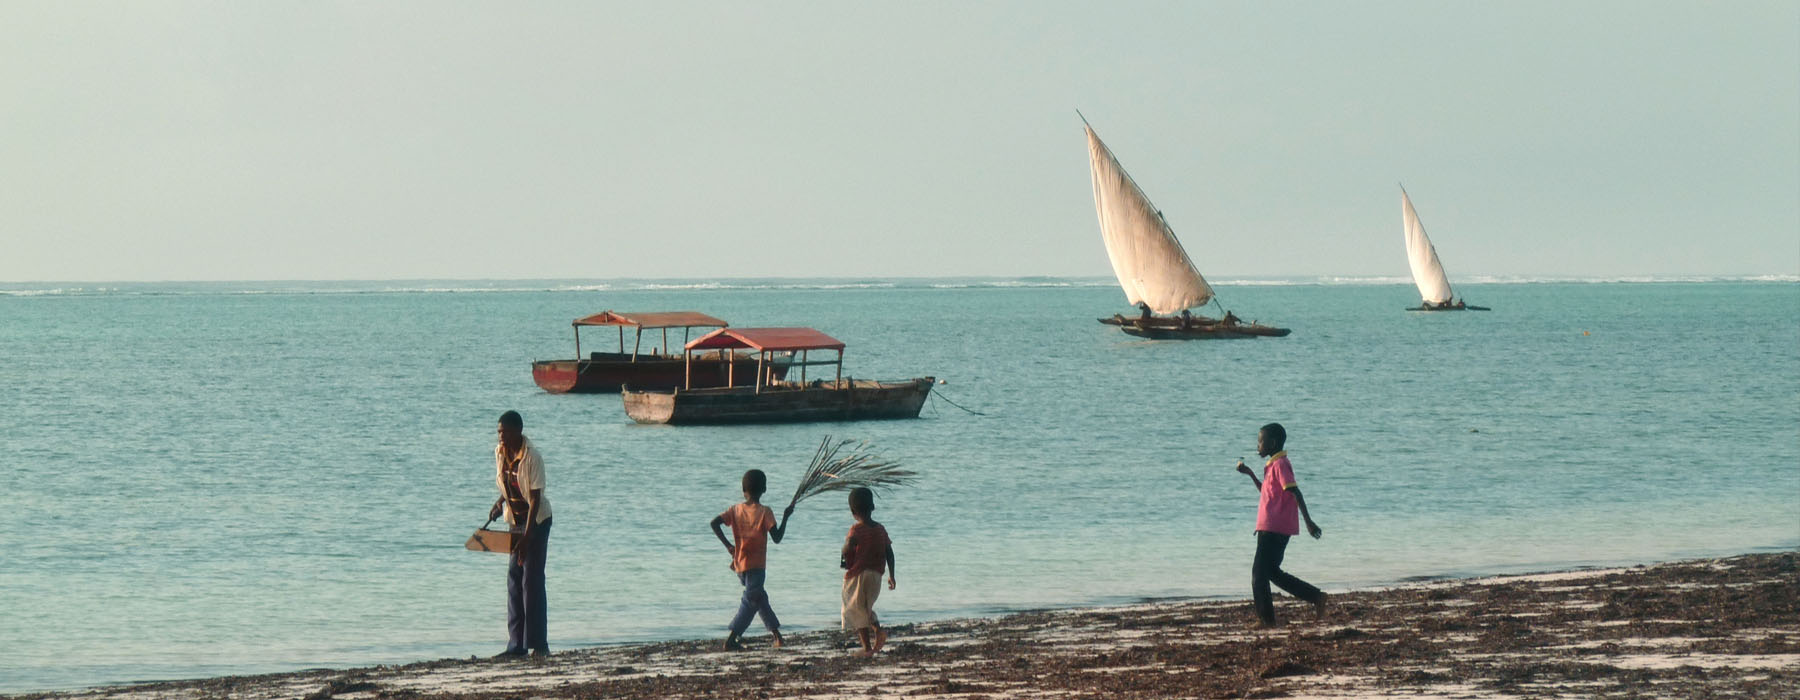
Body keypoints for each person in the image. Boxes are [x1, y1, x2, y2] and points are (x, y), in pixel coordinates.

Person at [1234, 423, 1326, 627]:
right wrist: (1250, 473)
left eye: (1260, 441)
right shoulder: (1272, 466)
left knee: (1259, 575)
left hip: (1274, 529)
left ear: (1272, 443)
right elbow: (1268, 493)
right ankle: (1316, 597)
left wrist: (1309, 522)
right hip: (1272, 527)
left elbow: (1295, 492)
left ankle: (1267, 621)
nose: (1258, 446)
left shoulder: (1281, 464)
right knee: (1272, 573)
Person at [489, 410, 552, 659]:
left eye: (504, 432)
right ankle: (516, 645)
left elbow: (535, 498)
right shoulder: (500, 453)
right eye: (499, 432)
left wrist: (528, 537)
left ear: (517, 431)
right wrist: (499, 503)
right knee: (514, 579)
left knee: (531, 581)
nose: (500, 436)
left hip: (536, 521)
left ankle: (539, 645)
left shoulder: (533, 457)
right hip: (515, 521)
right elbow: (510, 484)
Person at [710, 469, 793, 651]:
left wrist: (729, 547)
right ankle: (732, 638)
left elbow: (714, 523)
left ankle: (777, 636)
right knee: (751, 600)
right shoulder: (765, 512)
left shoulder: (735, 510)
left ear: (743, 490)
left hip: (740, 565)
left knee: (758, 598)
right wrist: (786, 517)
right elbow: (777, 537)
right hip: (756, 566)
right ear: (764, 488)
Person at [840, 487, 895, 657]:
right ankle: (877, 630)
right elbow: (889, 553)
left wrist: (845, 549)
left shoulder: (856, 530)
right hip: (876, 576)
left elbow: (847, 547)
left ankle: (866, 648)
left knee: (853, 609)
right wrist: (891, 575)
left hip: (857, 576)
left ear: (852, 511)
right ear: (873, 507)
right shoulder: (880, 529)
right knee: (866, 608)